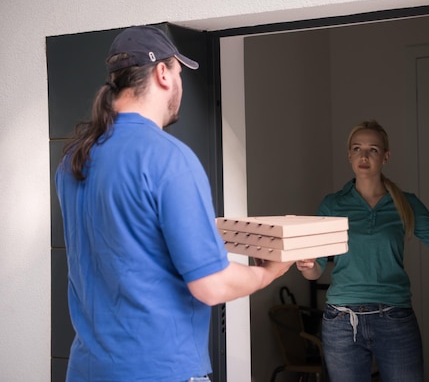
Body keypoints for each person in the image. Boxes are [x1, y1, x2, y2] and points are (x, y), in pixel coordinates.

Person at [55, 25, 293, 382]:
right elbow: (210, 285)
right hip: (159, 371)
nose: (181, 84)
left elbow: (129, 245)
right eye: (180, 72)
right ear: (163, 73)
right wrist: (267, 273)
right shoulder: (168, 158)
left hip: (88, 370)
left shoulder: (74, 158)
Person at [297, 120, 429, 382]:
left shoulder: (406, 204)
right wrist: (307, 266)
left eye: (372, 149)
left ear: (386, 157)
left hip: (394, 318)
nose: (364, 155)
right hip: (341, 321)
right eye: (357, 148)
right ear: (349, 155)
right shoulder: (332, 204)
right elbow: (315, 269)